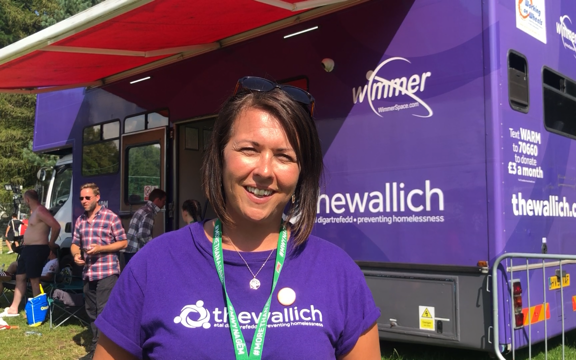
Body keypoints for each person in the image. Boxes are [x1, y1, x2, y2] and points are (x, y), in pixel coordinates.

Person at [94, 77, 381, 359]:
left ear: (301, 173)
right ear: (220, 155)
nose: (265, 171)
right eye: (249, 149)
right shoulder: (152, 265)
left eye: (284, 156)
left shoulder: (338, 272)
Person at [70, 183, 127, 360]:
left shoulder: (110, 217)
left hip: (107, 271)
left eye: (87, 197)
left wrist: (101, 249)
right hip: (89, 272)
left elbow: (123, 242)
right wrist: (76, 254)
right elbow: (74, 243)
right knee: (91, 312)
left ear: (97, 197)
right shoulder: (80, 220)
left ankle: (103, 352)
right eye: (81, 198)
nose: (84, 201)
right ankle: (98, 348)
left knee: (103, 311)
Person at [0, 190, 60, 317]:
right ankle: (14, 308)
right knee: (20, 277)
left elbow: (56, 226)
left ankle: (38, 310)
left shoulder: (40, 210)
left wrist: (51, 242)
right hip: (27, 249)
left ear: (27, 199)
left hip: (37, 249)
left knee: (34, 279)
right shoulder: (34, 213)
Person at [122, 189, 167, 267]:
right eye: (163, 201)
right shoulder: (149, 213)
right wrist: (154, 247)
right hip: (136, 251)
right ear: (157, 200)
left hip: (130, 249)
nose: (164, 204)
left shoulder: (142, 209)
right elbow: (143, 235)